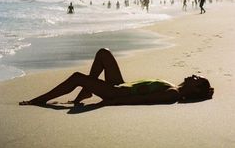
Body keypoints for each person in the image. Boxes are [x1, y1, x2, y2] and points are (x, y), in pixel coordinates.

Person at [19, 48, 214, 107]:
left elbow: (142, 100)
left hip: (116, 93)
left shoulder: (173, 94)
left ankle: (39, 100)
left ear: (195, 89)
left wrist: (108, 102)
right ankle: (85, 93)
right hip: (121, 84)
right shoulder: (174, 88)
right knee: (103, 53)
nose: (192, 75)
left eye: (196, 78)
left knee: (77, 76)